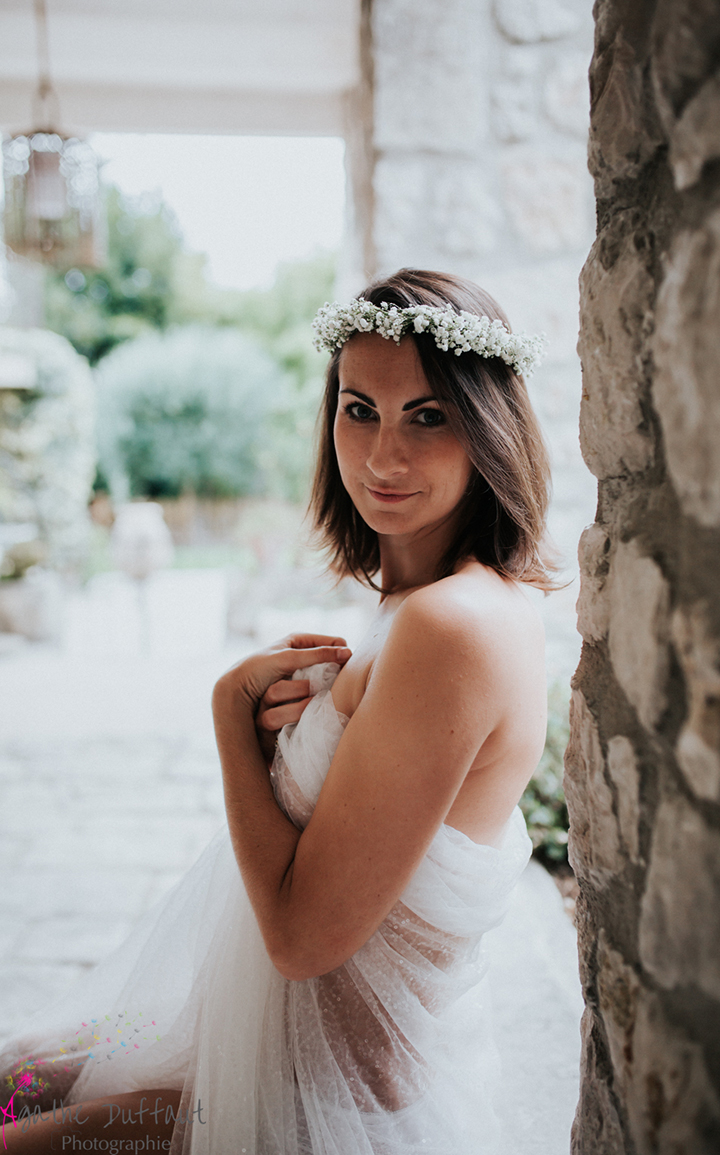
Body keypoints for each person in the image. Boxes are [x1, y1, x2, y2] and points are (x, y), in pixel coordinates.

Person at [0, 268, 557, 1155]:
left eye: (428, 415)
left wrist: (230, 719)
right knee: (15, 1075)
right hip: (245, 1038)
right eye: (358, 406)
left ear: (489, 425)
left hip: (307, 1102)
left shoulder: (452, 624)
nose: (380, 455)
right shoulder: (417, 603)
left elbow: (303, 939)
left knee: (16, 1129)